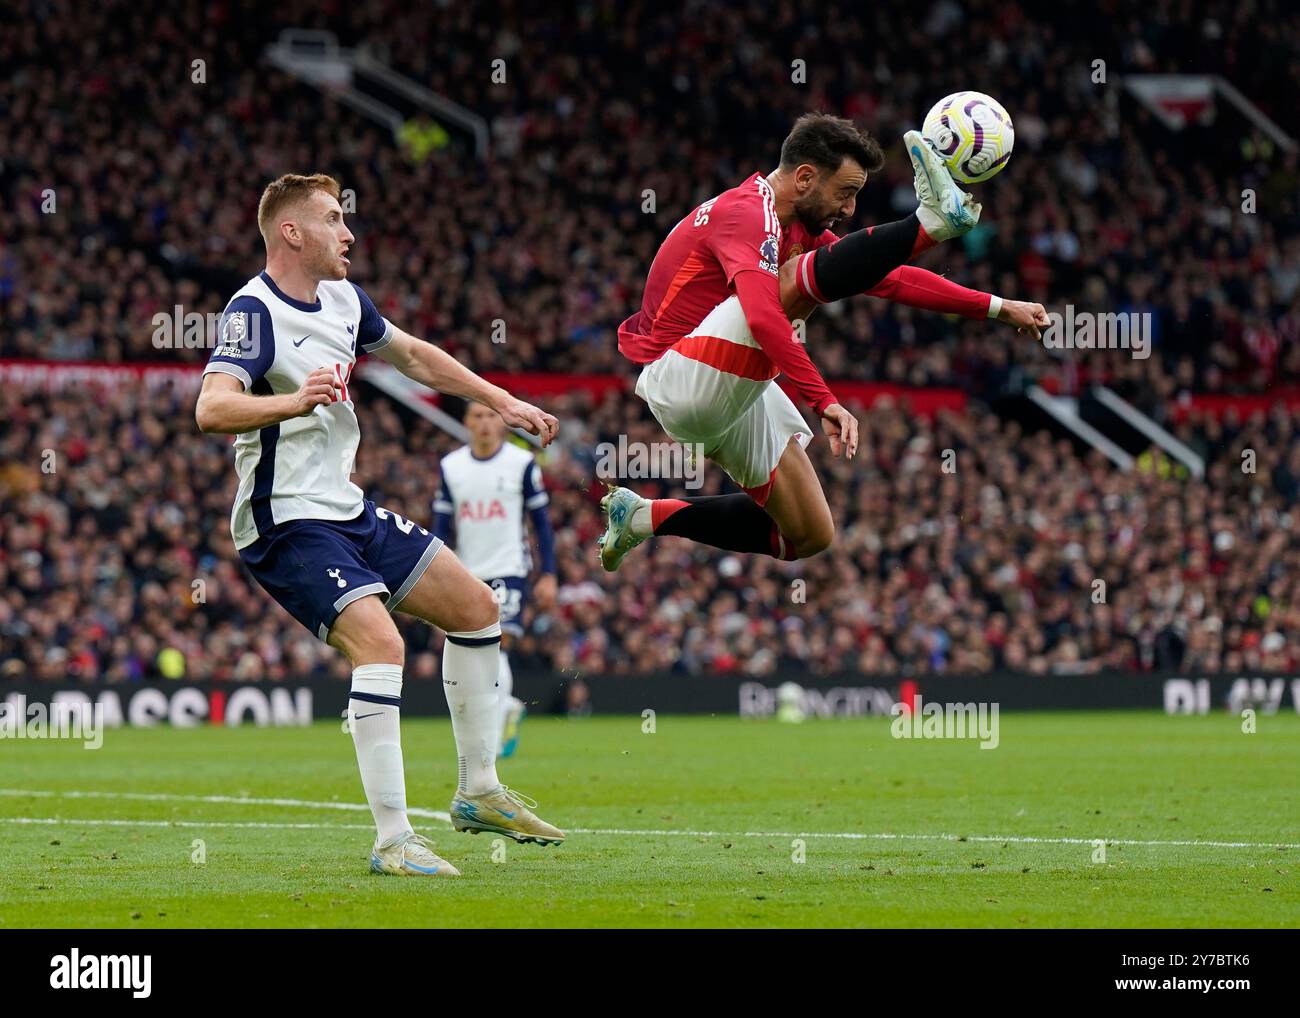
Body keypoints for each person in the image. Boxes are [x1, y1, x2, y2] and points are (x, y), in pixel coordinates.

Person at [195, 173, 565, 878]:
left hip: (346, 509)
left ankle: (479, 790)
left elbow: (415, 356)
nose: (349, 232)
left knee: (477, 606)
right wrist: (293, 402)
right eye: (334, 219)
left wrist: (500, 398)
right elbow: (212, 408)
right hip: (285, 521)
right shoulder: (252, 310)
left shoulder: (343, 300)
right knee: (381, 645)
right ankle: (394, 839)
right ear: (291, 233)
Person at [601, 114, 1048, 567]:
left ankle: (640, 518)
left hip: (723, 388)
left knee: (808, 533)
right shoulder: (748, 214)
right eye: (846, 192)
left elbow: (883, 277)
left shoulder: (796, 222)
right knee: (795, 281)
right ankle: (929, 222)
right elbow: (763, 317)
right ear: (805, 178)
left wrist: (996, 306)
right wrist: (824, 401)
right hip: (681, 376)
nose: (850, 208)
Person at [433, 401, 558, 759]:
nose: (485, 423)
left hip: (509, 568)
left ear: (502, 424)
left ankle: (492, 730)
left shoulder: (521, 463)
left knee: (495, 644)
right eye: (478, 416)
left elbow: (542, 525)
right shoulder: (451, 466)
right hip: (467, 572)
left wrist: (548, 573)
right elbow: (441, 528)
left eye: (491, 416)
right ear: (466, 422)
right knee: (472, 653)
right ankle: (506, 710)